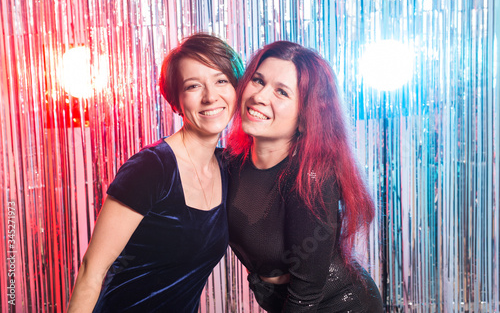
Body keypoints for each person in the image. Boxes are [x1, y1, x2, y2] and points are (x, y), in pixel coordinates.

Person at [67, 33, 244, 312]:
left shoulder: (228, 169)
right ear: (176, 102)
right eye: (193, 86)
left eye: (221, 80)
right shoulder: (152, 168)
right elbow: (92, 271)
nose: (211, 97)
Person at [225, 41, 384, 312]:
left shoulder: (310, 177)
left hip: (338, 305)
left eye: (281, 92)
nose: (260, 97)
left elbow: (305, 295)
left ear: (304, 117)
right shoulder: (228, 164)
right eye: (258, 81)